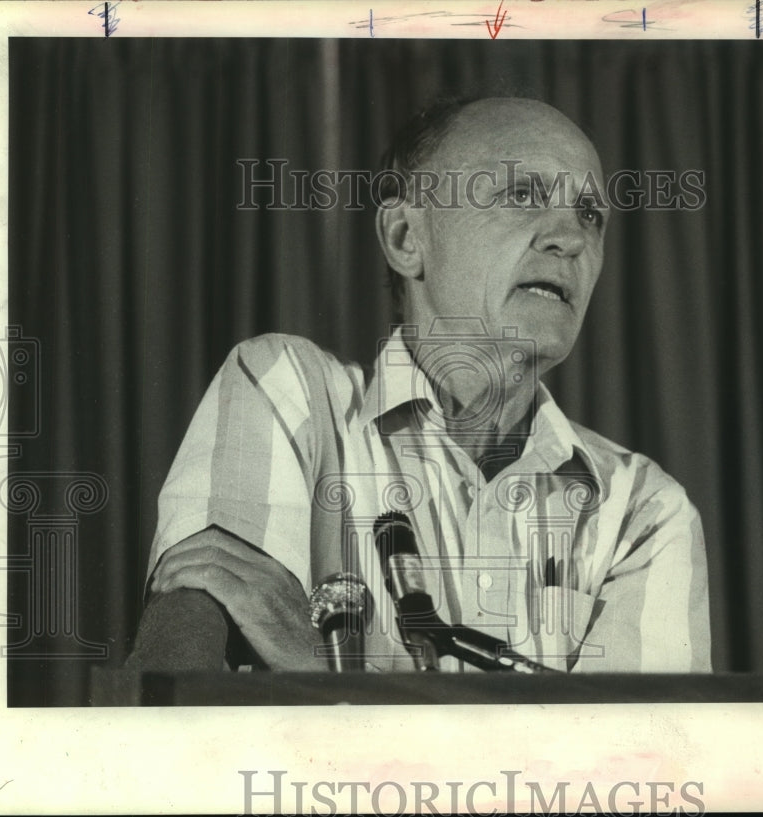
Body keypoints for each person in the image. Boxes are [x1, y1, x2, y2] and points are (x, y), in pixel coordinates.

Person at [129, 97, 711, 674]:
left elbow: (632, 755)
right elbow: (176, 687)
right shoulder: (287, 389)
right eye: (521, 194)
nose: (571, 238)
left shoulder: (644, 511)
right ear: (407, 237)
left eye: (589, 214)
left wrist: (314, 660)